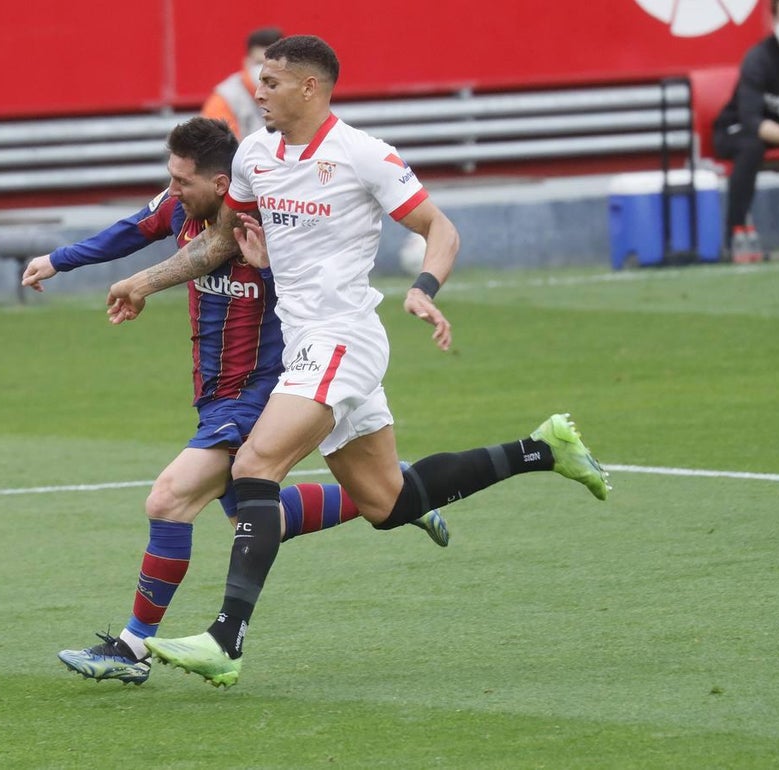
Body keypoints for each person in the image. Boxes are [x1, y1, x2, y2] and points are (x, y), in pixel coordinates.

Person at [106, 35, 611, 688]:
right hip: (306, 342)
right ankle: (543, 450)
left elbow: (441, 229)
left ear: (310, 88)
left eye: (272, 81)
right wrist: (143, 283)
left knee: (257, 466)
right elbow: (221, 243)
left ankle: (226, 639)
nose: (257, 91)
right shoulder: (256, 154)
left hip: (343, 339)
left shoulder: (362, 156)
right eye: (258, 80)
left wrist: (425, 292)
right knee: (385, 501)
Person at [19, 117, 449, 685]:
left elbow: (316, 280)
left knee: (169, 498)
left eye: (181, 181)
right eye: (168, 180)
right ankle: (399, 490)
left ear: (222, 184)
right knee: (257, 515)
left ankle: (131, 647)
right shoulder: (181, 205)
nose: (171, 192)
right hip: (214, 393)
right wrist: (59, 260)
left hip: (262, 390)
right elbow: (133, 228)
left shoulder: (266, 226)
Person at [712, 0, 779, 262]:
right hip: (737, 130)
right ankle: (733, 236)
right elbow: (752, 121)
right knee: (751, 146)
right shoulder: (759, 59)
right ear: (775, 21)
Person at [200, 27, 283, 140]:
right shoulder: (226, 99)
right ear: (246, 63)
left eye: (272, 64)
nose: (265, 70)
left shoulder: (298, 92)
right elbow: (217, 149)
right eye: (259, 63)